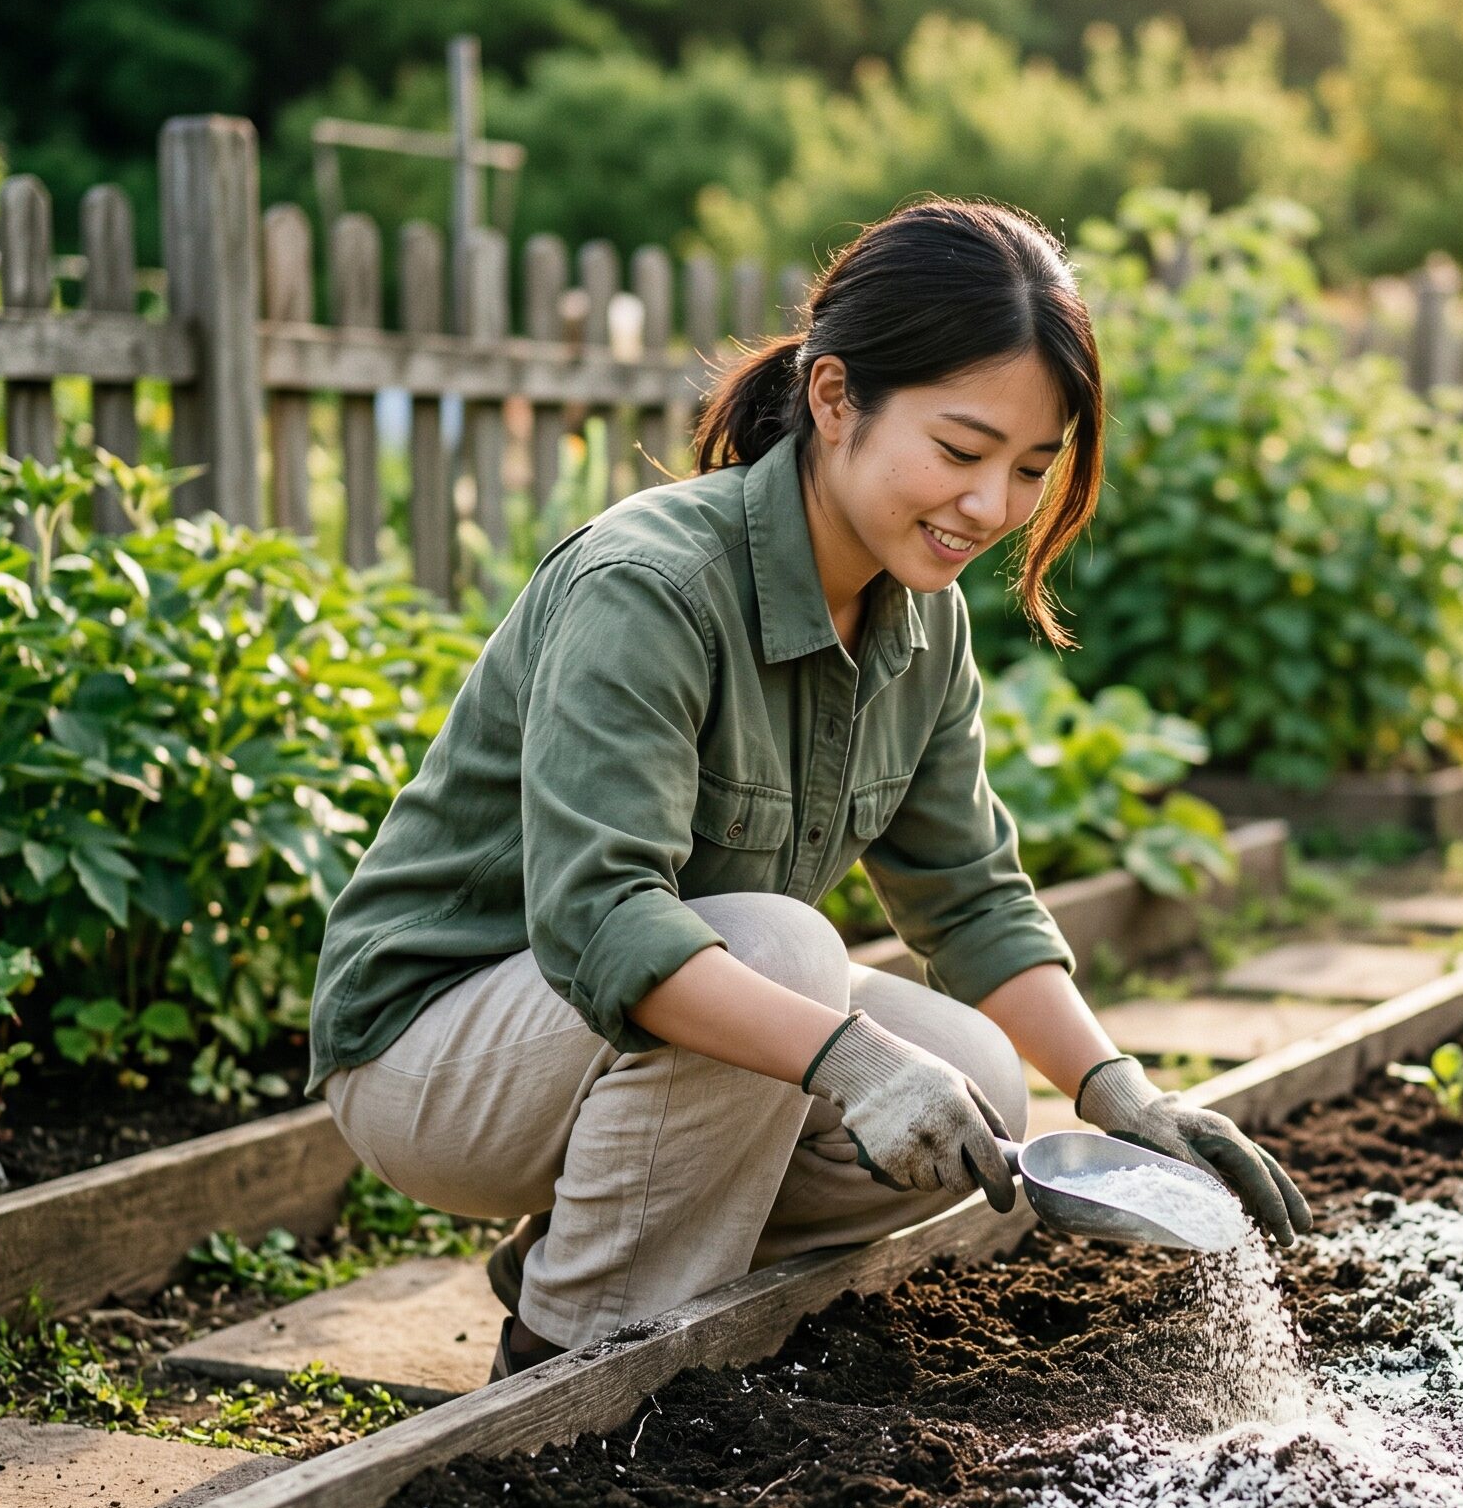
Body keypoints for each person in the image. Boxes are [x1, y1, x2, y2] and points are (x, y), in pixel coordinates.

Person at [306, 199, 1312, 1380]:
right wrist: (848, 1057)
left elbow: (971, 900)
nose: (989, 507)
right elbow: (601, 921)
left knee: (980, 1085)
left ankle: (592, 1259)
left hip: (604, 1043)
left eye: (1030, 469)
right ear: (833, 399)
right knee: (787, 958)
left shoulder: (922, 625)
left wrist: (1119, 1094)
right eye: (959, 450)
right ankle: (557, 1365)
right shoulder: (652, 584)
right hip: (437, 1051)